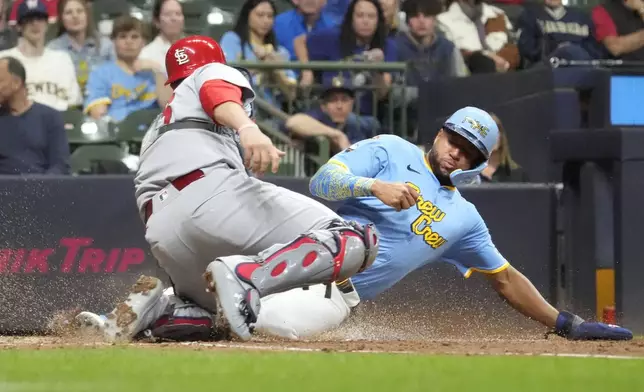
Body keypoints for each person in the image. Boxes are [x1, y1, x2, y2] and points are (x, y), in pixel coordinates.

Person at [77, 105, 633, 342]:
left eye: (470, 152)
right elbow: (322, 182)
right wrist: (374, 188)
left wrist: (565, 323)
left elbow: (506, 279)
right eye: (454, 140)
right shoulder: (390, 149)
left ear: (480, 162)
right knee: (251, 314)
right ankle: (194, 295)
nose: (457, 154)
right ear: (439, 133)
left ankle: (155, 310)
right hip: (296, 249)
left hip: (335, 294)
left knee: (253, 321)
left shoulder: (466, 220)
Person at [74, 35, 378, 343]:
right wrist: (249, 129)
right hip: (210, 197)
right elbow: (215, 91)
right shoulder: (209, 73)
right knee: (354, 239)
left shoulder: (159, 127)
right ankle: (247, 276)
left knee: (216, 312)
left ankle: (159, 307)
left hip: (162, 232)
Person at [83, 15, 171, 122]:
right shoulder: (101, 74)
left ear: (143, 42)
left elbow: (168, 107)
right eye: (122, 36)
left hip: (153, 131)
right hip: (119, 133)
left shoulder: (154, 72)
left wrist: (157, 70)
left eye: (134, 37)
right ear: (113, 41)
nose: (129, 41)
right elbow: (98, 114)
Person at [0, 0, 81, 111]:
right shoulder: (4, 59)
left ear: (47, 24)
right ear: (19, 26)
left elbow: (74, 103)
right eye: (28, 20)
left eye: (40, 18)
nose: (35, 24)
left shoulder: (62, 59)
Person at [0, 56, 70, 174]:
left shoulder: (50, 117)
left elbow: (60, 165)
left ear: (16, 83)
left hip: (41, 187)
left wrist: (41, 188)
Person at [220, 0, 297, 105]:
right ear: (247, 15)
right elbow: (227, 77)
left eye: (270, 16)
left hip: (273, 112)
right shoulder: (232, 40)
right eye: (260, 15)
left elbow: (291, 95)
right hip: (242, 107)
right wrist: (261, 64)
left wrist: (275, 69)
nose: (266, 21)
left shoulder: (280, 52)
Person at [283, 76, 379, 153]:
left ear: (352, 103)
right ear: (323, 106)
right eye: (333, 100)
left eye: (344, 100)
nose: (339, 105)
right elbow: (292, 122)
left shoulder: (364, 124)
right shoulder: (320, 117)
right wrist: (337, 135)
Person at [47, 0, 114, 97]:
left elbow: (117, 78)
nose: (75, 16)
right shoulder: (53, 50)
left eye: (79, 11)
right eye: (68, 12)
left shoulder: (105, 45)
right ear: (61, 19)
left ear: (87, 15)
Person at [516, 0, 603, 66]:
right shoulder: (530, 15)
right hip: (548, 68)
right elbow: (526, 49)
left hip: (581, 66)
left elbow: (594, 50)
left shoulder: (582, 17)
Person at [138, 0, 185, 76]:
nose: (174, 18)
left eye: (178, 14)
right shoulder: (145, 55)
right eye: (168, 14)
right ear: (157, 21)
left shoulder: (194, 51)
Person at [479, 112, 528, 182]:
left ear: (501, 137)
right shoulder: (467, 176)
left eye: (496, 131)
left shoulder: (518, 175)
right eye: (487, 133)